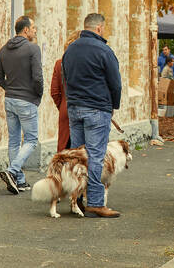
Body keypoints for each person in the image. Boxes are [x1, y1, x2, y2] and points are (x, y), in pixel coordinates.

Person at [63, 13, 122, 218]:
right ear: (99, 28)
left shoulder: (70, 50)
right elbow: (115, 83)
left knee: (78, 155)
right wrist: (113, 105)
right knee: (96, 156)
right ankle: (96, 202)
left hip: (75, 107)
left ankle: (77, 198)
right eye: (103, 28)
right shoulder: (104, 50)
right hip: (97, 108)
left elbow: (66, 77)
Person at [0, 15, 43, 194]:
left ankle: (20, 181)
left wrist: (11, 89)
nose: (35, 30)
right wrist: (37, 94)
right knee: (31, 139)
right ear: (26, 30)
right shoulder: (33, 49)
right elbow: (38, 77)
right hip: (27, 100)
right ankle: (12, 171)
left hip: (9, 99)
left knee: (14, 141)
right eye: (33, 28)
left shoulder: (3, 50)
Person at [51, 30, 81, 152]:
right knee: (83, 151)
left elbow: (54, 92)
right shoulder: (89, 63)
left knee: (65, 150)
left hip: (66, 109)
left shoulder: (59, 64)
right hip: (86, 109)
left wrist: (62, 105)